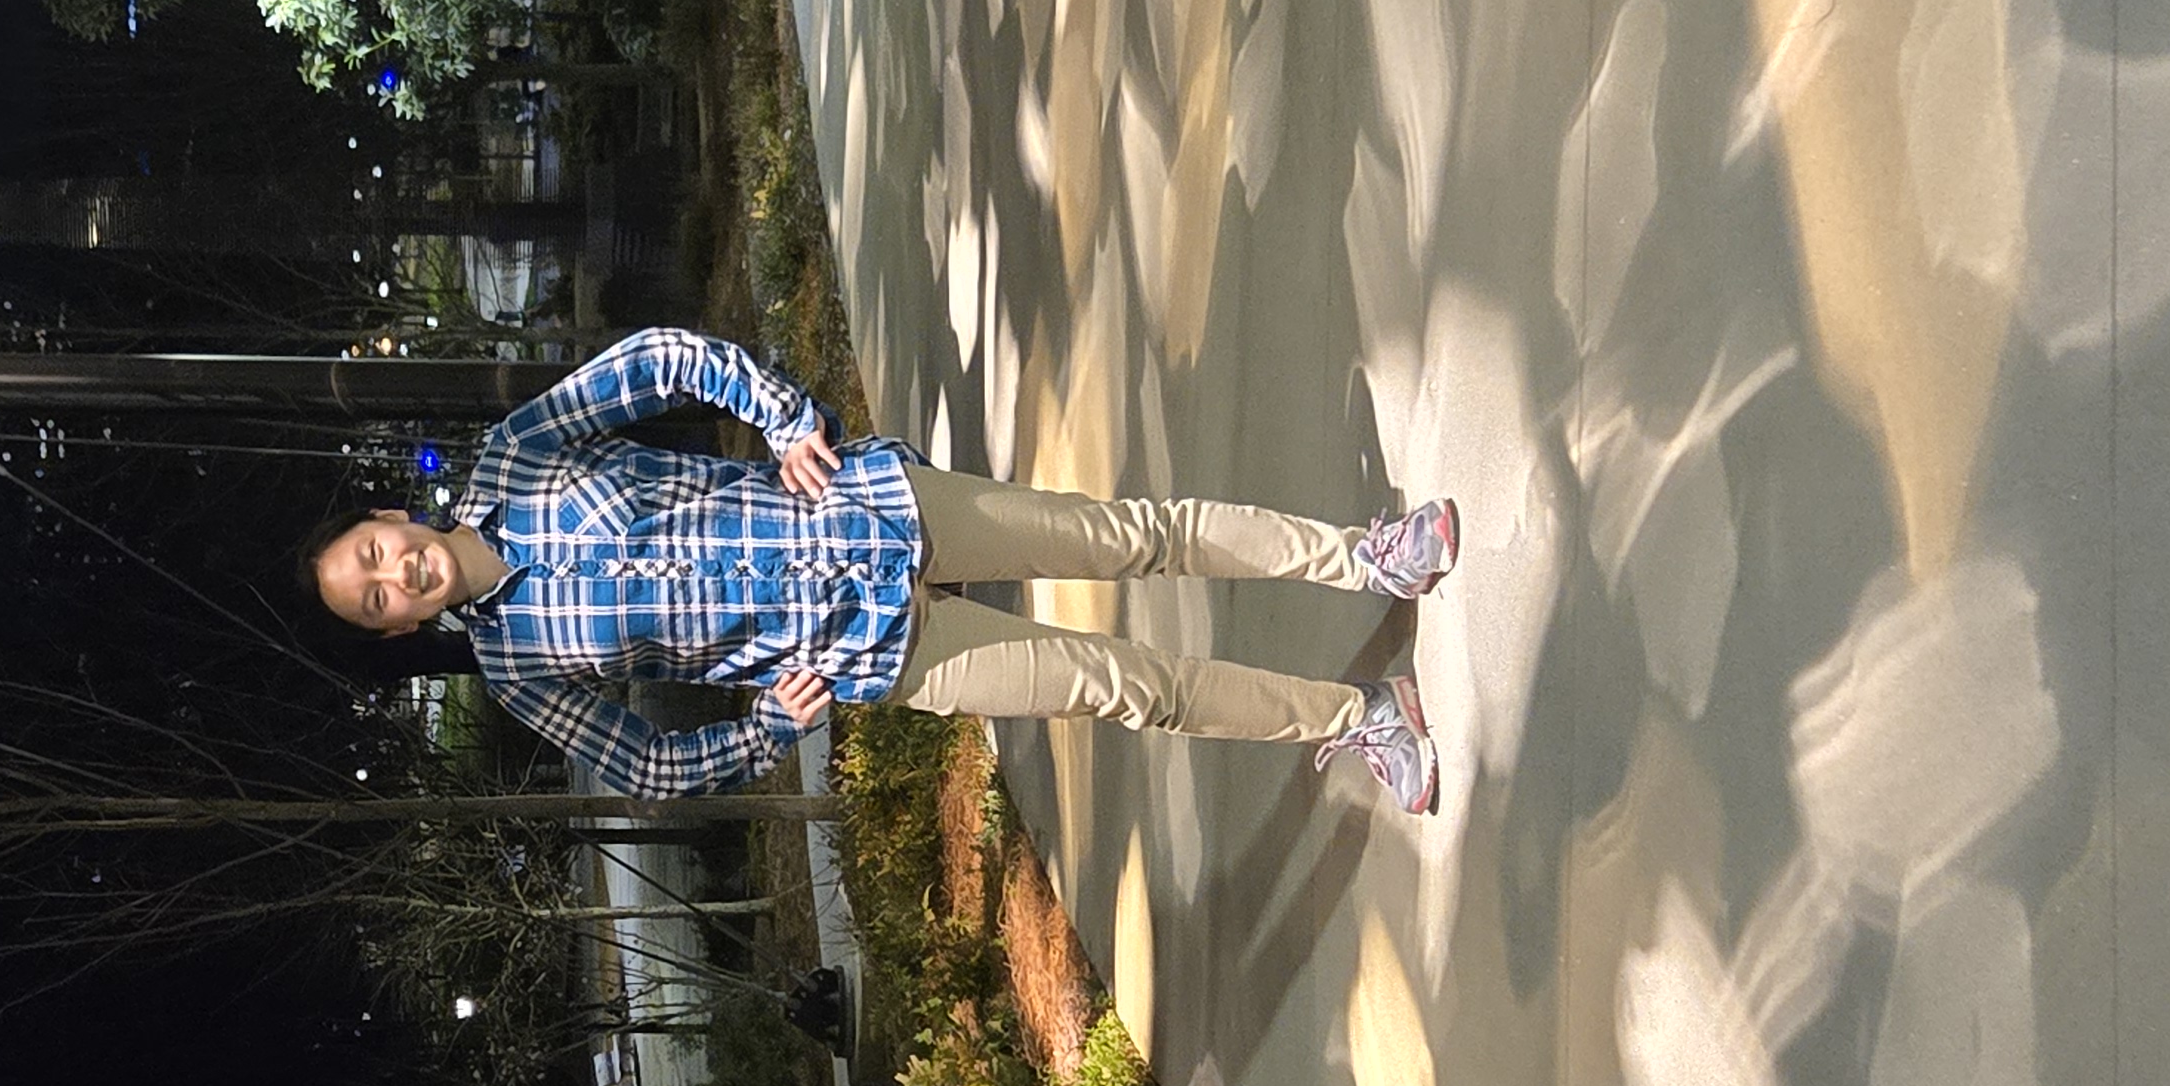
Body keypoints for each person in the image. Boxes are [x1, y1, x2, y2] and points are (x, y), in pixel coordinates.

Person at [300, 329, 1454, 809]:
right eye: (376, 600)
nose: (392, 574)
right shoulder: (516, 669)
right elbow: (645, 769)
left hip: (873, 507)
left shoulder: (518, 453)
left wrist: (779, 415)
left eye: (373, 554)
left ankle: (1365, 555)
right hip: (868, 650)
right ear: (402, 629)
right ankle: (1353, 718)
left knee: (1129, 534)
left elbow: (656, 360)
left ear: (391, 515)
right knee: (1124, 685)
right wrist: (759, 732)